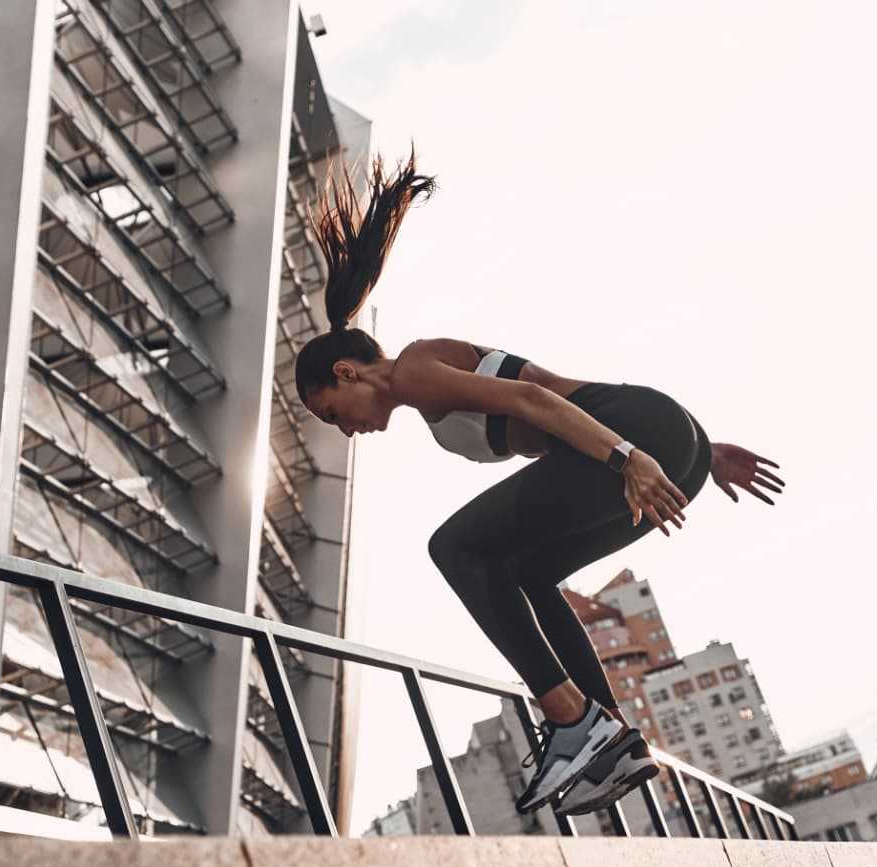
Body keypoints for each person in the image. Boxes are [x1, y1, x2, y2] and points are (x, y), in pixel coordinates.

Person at [294, 150, 786, 820]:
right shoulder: (423, 385)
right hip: (657, 434)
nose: (345, 431)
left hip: (633, 441)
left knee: (454, 548)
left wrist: (631, 458)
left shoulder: (412, 371)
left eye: (332, 414)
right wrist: (699, 448)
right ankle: (607, 734)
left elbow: (532, 399)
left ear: (348, 373)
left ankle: (574, 722)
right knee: (524, 569)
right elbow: (560, 399)